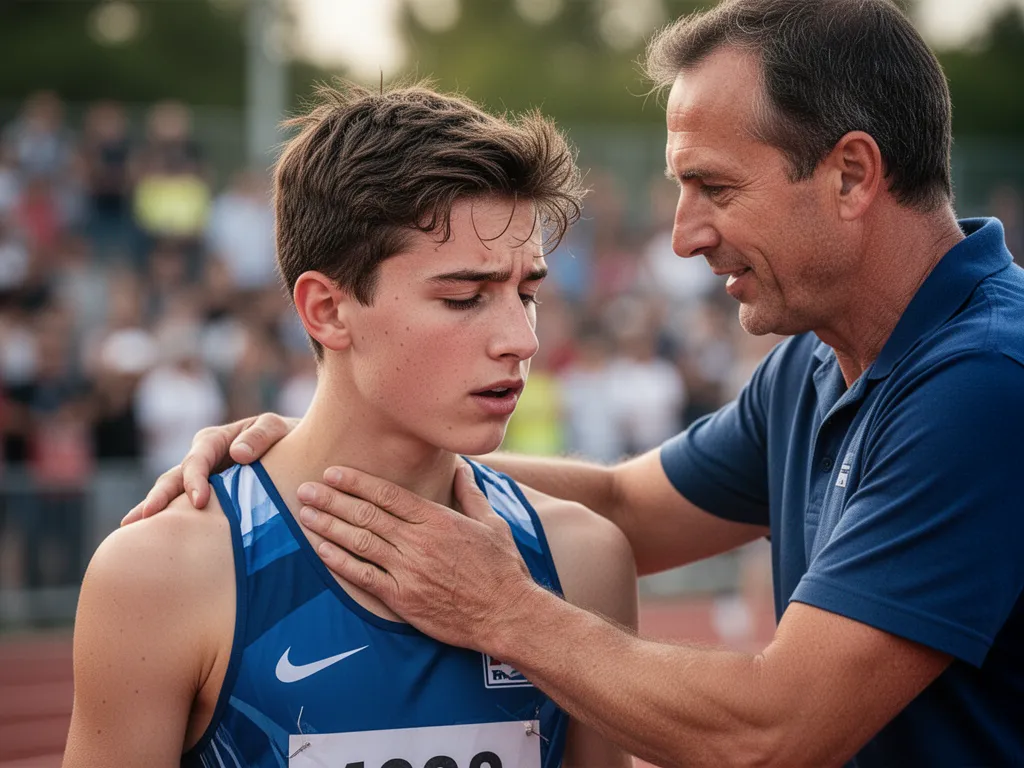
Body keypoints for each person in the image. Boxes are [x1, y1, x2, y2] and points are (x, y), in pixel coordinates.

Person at [132, 0, 1024, 765]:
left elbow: (775, 732)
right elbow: (625, 507)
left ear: (852, 174)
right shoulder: (817, 364)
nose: (683, 236)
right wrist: (323, 448)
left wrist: (507, 611)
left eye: (714, 187)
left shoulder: (987, 380)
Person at [66, 82, 637, 768]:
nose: (522, 339)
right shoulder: (160, 573)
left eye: (529, 293)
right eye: (464, 298)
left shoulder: (584, 558)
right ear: (327, 311)